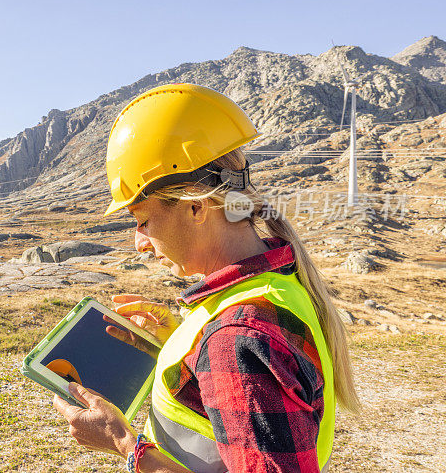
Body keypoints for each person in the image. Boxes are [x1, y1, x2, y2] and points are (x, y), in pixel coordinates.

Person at [53, 84, 360, 473]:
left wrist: (124, 444)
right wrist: (179, 350)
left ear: (196, 208)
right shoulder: (279, 281)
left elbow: (240, 359)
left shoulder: (235, 339)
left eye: (143, 221)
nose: (139, 244)